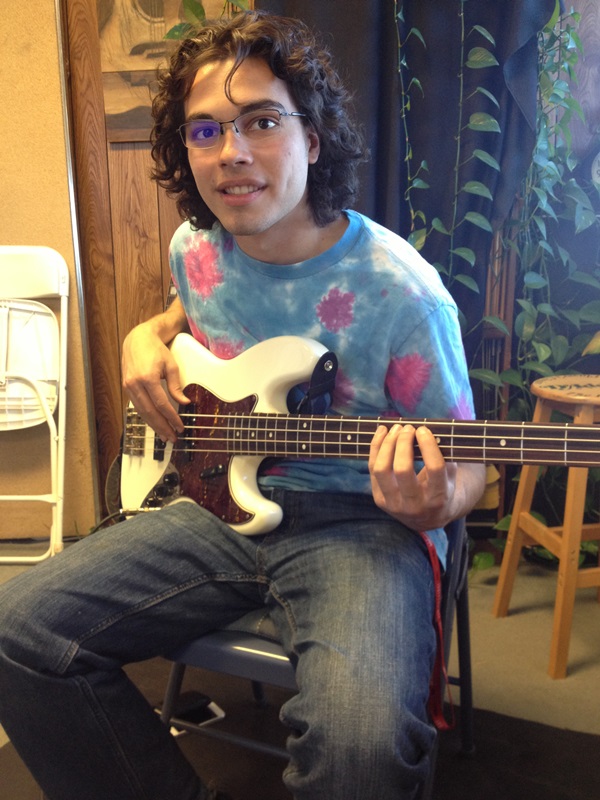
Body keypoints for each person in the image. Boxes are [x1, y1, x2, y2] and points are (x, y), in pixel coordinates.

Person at [0, 10, 485, 800]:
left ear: (313, 138)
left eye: (261, 120)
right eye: (204, 130)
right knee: (17, 632)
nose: (231, 153)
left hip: (363, 525)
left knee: (360, 751)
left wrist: (436, 498)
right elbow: (192, 322)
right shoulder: (195, 247)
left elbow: (470, 464)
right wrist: (145, 334)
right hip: (217, 504)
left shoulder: (405, 295)